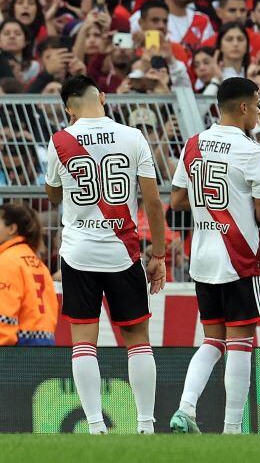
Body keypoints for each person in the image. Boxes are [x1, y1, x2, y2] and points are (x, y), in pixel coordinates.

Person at [44, 75, 166, 434]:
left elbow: (53, 194)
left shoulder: (60, 140)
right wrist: (158, 255)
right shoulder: (133, 136)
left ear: (68, 109)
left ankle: (96, 425)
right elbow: (153, 202)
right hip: (122, 251)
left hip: (78, 252)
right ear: (103, 97)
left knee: (83, 342)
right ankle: (145, 424)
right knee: (137, 340)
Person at [168, 76, 260, 434]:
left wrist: (208, 205)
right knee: (240, 343)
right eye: (257, 105)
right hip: (238, 257)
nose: (258, 113)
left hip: (203, 258)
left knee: (213, 340)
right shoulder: (253, 151)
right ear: (244, 106)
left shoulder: (193, 144)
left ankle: (186, 408)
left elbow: (177, 200)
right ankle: (232, 429)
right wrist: (237, 202)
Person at [0, 203, 58, 345]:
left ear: (12, 229)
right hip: (45, 344)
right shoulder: (38, 263)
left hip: (16, 347)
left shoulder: (6, 261)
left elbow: (3, 313)